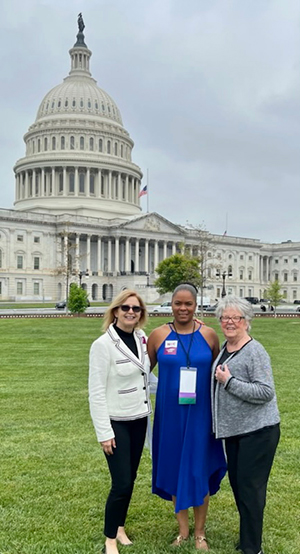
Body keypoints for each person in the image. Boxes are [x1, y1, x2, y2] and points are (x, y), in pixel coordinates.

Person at [147, 284, 227, 550]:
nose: (183, 308)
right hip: (169, 416)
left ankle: (200, 532)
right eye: (178, 303)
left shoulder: (209, 335)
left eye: (188, 304)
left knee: (198, 469)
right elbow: (143, 370)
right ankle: (182, 530)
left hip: (200, 417)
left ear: (196, 306)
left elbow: (216, 370)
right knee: (173, 467)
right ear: (171, 304)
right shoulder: (158, 335)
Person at [212, 296, 280, 554]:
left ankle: (253, 548)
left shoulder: (254, 351)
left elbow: (265, 392)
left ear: (246, 322)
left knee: (251, 490)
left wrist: (230, 382)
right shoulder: (225, 349)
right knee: (240, 487)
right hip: (236, 432)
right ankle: (248, 537)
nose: (230, 322)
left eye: (235, 318)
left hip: (259, 432)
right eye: (225, 318)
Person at [89, 290, 151, 554]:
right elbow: (96, 392)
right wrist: (104, 432)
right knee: (121, 482)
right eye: (125, 307)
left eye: (135, 309)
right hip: (116, 422)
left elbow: (144, 374)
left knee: (132, 476)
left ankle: (120, 527)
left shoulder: (141, 339)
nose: (130, 312)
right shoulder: (102, 345)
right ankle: (109, 540)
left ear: (141, 314)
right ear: (115, 311)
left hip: (139, 418)